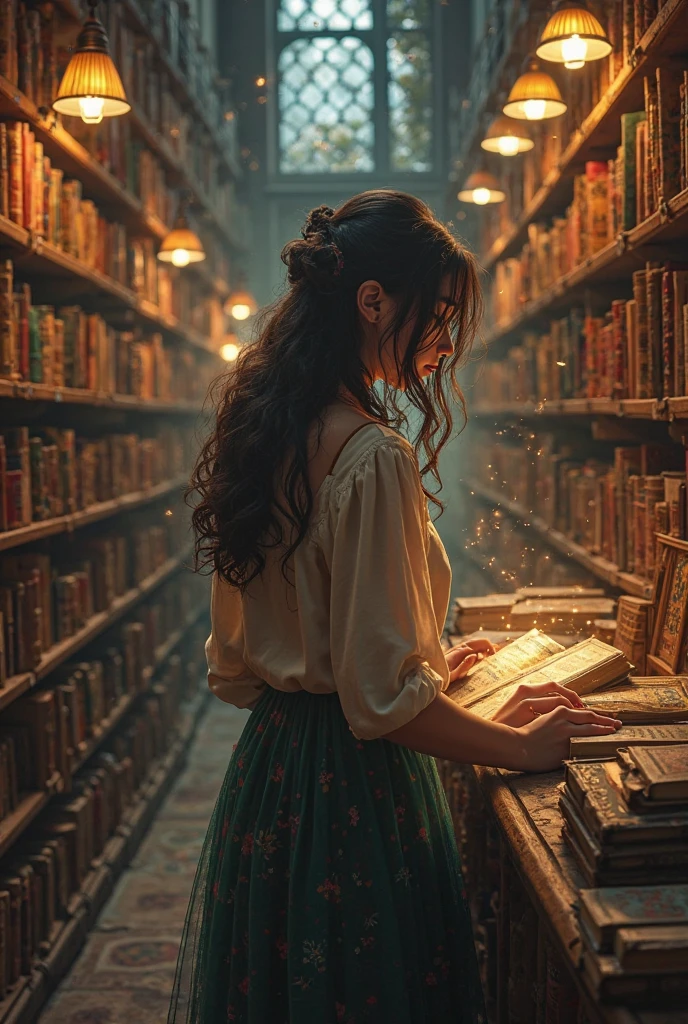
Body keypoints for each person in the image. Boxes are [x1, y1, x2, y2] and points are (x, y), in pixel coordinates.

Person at [168, 190, 621, 1024]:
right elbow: (377, 706)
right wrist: (518, 746)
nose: (448, 340)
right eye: (440, 314)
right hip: (354, 796)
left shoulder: (263, 431)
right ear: (372, 300)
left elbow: (249, 662)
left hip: (270, 776)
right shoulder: (373, 453)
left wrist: (432, 664)